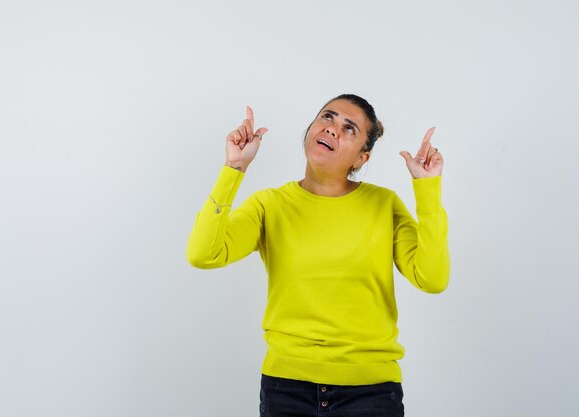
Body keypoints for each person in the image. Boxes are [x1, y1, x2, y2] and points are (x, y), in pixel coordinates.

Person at [186, 94, 450, 417]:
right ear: (311, 127)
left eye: (349, 128)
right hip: (286, 390)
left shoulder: (385, 205)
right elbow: (203, 253)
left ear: (361, 159)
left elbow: (432, 278)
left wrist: (428, 191)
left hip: (371, 392)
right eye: (328, 117)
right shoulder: (270, 205)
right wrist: (234, 168)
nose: (333, 129)